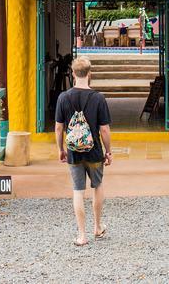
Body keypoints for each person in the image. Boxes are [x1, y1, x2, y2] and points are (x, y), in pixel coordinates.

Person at [54, 55, 113, 246]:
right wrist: (108, 150)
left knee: (78, 191)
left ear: (72, 73)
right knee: (98, 186)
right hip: (94, 152)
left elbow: (58, 127)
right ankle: (97, 227)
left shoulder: (63, 97)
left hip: (73, 152)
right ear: (89, 74)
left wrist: (60, 149)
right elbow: (104, 129)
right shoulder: (98, 98)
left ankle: (82, 235)